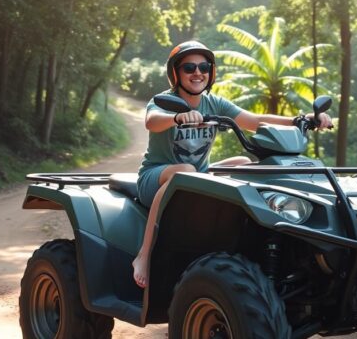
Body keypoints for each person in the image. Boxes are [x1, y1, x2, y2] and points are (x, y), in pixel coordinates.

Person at [131, 40, 333, 288]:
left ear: (211, 72)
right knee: (186, 170)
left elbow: (255, 120)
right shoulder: (164, 100)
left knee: (243, 162)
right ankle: (144, 255)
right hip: (156, 178)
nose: (197, 73)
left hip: (196, 174)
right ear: (176, 73)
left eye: (204, 67)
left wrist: (301, 120)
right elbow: (152, 121)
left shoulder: (214, 103)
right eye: (189, 68)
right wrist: (177, 117)